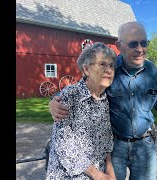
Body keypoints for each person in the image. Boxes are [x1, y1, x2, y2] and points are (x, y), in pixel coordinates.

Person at [49, 21, 157, 180]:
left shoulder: (153, 73)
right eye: (133, 44)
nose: (140, 49)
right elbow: (85, 87)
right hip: (115, 147)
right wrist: (55, 101)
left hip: (145, 146)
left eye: (144, 43)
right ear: (119, 45)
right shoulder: (109, 68)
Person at [45, 42, 117, 180]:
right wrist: (97, 175)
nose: (108, 70)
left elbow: (107, 139)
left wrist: (110, 170)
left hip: (98, 173)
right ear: (86, 70)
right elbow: (63, 144)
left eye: (111, 65)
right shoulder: (70, 95)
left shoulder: (104, 99)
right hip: (68, 175)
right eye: (102, 64)